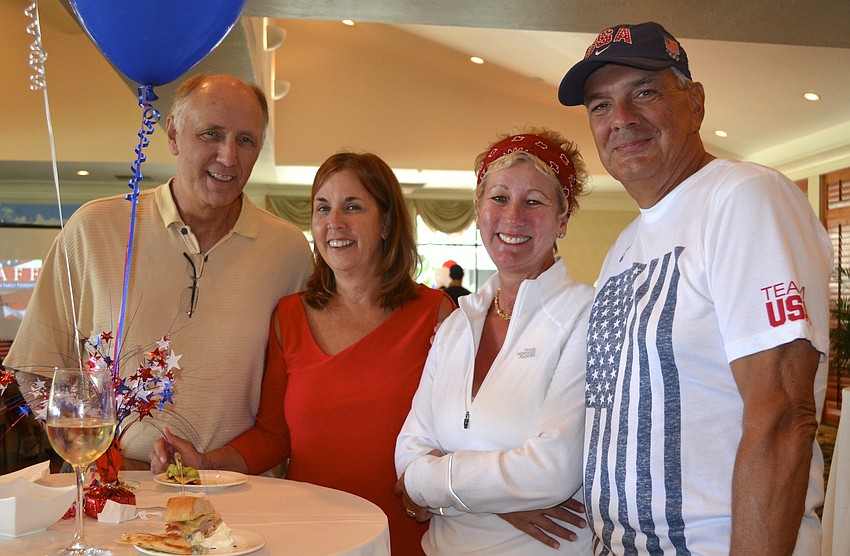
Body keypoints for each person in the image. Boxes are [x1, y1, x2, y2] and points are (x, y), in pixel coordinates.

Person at [558, 22, 833, 555]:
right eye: (600, 105)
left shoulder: (744, 198)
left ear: (696, 102)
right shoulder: (624, 246)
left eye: (645, 92)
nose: (621, 119)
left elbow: (783, 416)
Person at [150, 151, 455, 555]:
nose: (334, 222)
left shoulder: (435, 314)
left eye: (353, 207)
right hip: (308, 535)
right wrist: (205, 464)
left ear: (386, 223)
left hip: (401, 533)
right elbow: (274, 436)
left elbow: (462, 433)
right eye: (322, 208)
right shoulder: (289, 316)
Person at [4, 74, 313, 467]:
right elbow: (35, 370)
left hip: (241, 489)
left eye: (246, 140)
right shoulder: (93, 228)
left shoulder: (288, 251)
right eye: (211, 134)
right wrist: (101, 457)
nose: (228, 156)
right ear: (173, 135)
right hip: (111, 489)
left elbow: (302, 390)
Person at [395, 128, 594, 554]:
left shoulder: (585, 316)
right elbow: (409, 452)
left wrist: (431, 485)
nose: (513, 217)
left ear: (562, 221)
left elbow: (552, 471)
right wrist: (500, 504)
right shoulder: (456, 324)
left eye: (534, 201)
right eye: (499, 197)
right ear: (479, 210)